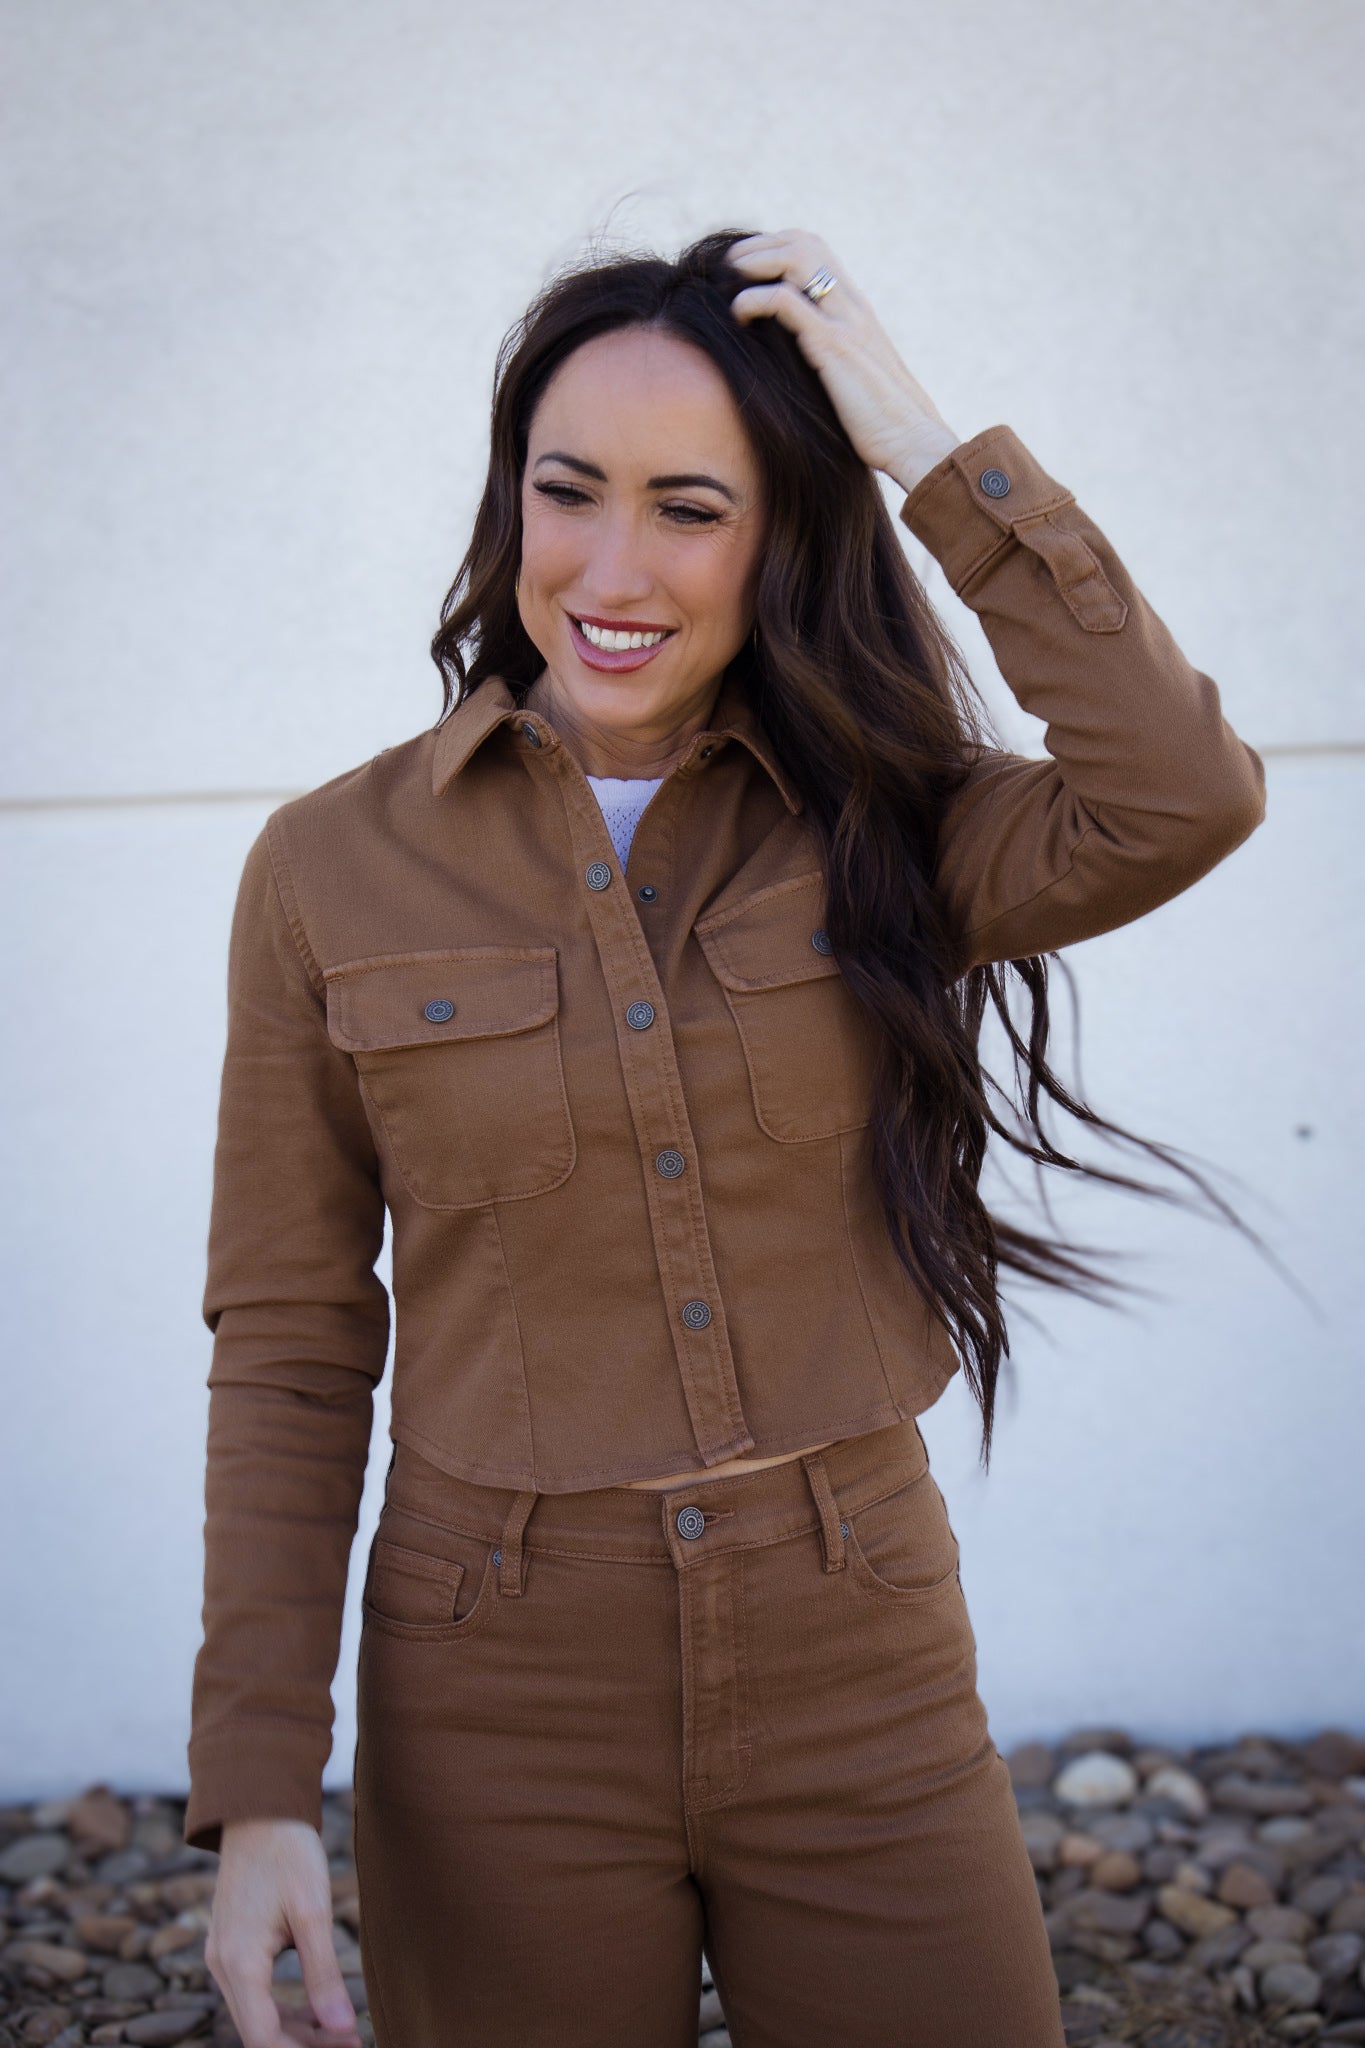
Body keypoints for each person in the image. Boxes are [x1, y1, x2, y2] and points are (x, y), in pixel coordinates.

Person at [186, 226, 1266, 2048]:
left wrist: (925, 446)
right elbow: (291, 1342)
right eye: (567, 492)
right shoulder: (324, 870)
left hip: (857, 1637)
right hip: (496, 1674)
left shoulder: (888, 822)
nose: (613, 569)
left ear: (781, 538)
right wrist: (262, 1788)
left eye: (691, 507)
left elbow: (1178, 795)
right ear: (506, 499)